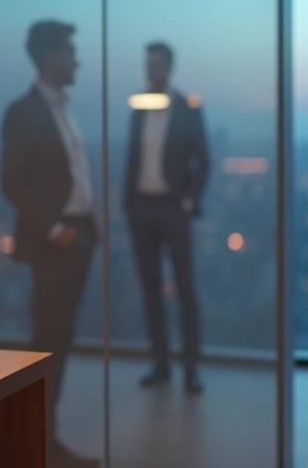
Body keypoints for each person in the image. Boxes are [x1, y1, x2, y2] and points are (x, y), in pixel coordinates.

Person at [0, 20, 99, 468]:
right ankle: (38, 441)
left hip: (76, 238)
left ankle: (42, 438)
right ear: (49, 58)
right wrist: (57, 229)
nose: (76, 60)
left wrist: (87, 225)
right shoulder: (24, 111)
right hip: (55, 243)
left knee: (59, 338)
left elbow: (68, 178)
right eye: (69, 52)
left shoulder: (60, 108)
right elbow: (12, 182)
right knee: (48, 342)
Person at [124, 41, 210, 394]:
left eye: (156, 64)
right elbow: (132, 159)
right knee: (150, 290)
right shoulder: (139, 109)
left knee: (185, 289)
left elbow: (204, 160)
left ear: (169, 68)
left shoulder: (187, 109)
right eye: (148, 64)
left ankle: (190, 367)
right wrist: (128, 204)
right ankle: (160, 363)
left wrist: (189, 202)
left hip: (174, 209)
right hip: (142, 208)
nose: (151, 70)